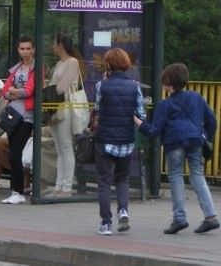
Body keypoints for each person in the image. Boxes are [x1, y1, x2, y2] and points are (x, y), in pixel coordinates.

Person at [134, 63, 219, 235]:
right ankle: (211, 217)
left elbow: (154, 130)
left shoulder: (165, 105)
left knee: (176, 176)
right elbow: (212, 120)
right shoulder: (196, 97)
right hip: (196, 141)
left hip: (175, 144)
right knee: (197, 175)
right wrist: (206, 137)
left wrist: (138, 122)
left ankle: (179, 218)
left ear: (167, 82)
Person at [93, 48, 146, 236]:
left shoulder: (102, 86)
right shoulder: (135, 86)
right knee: (122, 179)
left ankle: (106, 223)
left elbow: (98, 110)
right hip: (126, 140)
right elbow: (141, 114)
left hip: (105, 139)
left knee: (104, 182)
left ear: (108, 65)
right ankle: (123, 210)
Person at [0, 36, 38, 204]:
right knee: (12, 153)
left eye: (28, 48)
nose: (25, 52)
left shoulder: (37, 67)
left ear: (33, 50)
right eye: (22, 49)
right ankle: (15, 191)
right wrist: (15, 91)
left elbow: (29, 91)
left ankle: (18, 191)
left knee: (16, 152)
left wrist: (14, 91)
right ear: (18, 50)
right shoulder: (16, 69)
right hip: (13, 115)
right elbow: (5, 91)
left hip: (27, 116)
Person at [47, 33, 85, 197]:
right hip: (56, 107)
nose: (52, 46)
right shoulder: (58, 63)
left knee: (66, 146)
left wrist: (48, 90)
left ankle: (67, 187)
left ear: (60, 44)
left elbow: (61, 87)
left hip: (66, 107)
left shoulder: (72, 62)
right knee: (59, 148)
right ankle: (59, 185)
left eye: (54, 43)